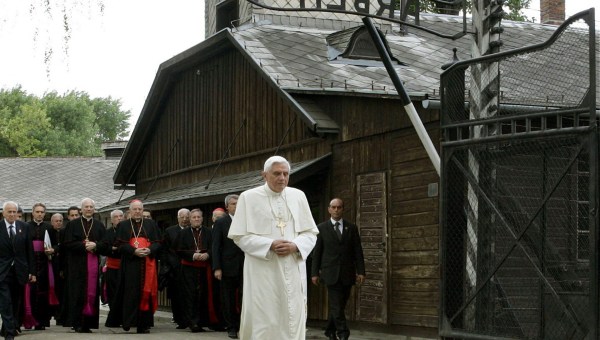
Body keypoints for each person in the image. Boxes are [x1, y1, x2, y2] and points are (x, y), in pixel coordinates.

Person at [228, 156, 319, 340]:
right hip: (263, 270)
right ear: (264, 175)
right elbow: (239, 236)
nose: (282, 178)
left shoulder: (298, 196)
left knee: (292, 314)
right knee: (265, 317)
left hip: (293, 268)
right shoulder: (249, 197)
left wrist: (295, 245)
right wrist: (269, 244)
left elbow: (311, 233)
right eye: (277, 173)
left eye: (286, 174)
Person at [311, 198, 366, 340]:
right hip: (330, 273)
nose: (336, 210)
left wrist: (361, 271)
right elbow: (317, 252)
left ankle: (330, 330)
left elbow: (357, 251)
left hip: (347, 273)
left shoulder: (351, 228)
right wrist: (314, 273)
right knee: (336, 305)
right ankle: (343, 334)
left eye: (339, 207)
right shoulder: (321, 228)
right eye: (333, 207)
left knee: (340, 305)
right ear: (329, 209)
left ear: (343, 209)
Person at [111, 200, 161, 334]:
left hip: (147, 263)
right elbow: (119, 245)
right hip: (130, 265)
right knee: (130, 293)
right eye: (135, 209)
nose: (137, 211)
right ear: (130, 211)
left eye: (140, 209)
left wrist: (150, 250)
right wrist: (134, 251)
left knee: (146, 292)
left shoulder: (151, 224)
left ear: (142, 210)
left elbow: (158, 243)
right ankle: (128, 321)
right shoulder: (123, 225)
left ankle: (143, 325)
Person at [61, 198, 106, 333]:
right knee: (77, 293)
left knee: (91, 293)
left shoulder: (99, 225)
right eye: (86, 207)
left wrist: (96, 245)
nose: (88, 209)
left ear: (94, 209)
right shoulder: (72, 224)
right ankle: (77, 323)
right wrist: (84, 245)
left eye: (91, 207)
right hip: (77, 265)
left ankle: (88, 324)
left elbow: (105, 244)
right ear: (81, 209)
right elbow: (67, 244)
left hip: (92, 264)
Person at [174, 208, 218, 332]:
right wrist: (193, 255)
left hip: (205, 269)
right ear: (190, 219)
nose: (196, 219)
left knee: (203, 295)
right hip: (188, 269)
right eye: (194, 217)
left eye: (199, 217)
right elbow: (178, 250)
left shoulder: (209, 232)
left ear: (202, 219)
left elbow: (214, 247)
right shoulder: (183, 233)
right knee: (190, 295)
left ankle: (202, 322)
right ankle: (192, 322)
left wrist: (208, 255)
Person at [0, 201, 36, 340]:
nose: (12, 214)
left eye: (14, 212)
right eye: (9, 212)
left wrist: (32, 272)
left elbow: (29, 251)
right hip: (2, 272)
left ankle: (8, 327)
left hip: (20, 271)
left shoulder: (24, 227)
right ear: (3, 213)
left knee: (15, 302)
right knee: (5, 302)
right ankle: (10, 334)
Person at [212, 194, 243, 339]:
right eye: (233, 204)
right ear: (227, 207)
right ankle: (231, 327)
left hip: (246, 266)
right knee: (228, 298)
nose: (236, 206)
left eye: (239, 203)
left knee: (245, 297)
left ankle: (243, 325)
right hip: (227, 266)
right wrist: (217, 267)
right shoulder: (221, 222)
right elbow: (216, 246)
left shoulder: (248, 220)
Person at [26, 203, 57, 330]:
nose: (39, 214)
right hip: (30, 261)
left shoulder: (49, 227)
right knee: (30, 292)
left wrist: (53, 250)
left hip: (45, 263)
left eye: (42, 212)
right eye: (37, 211)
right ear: (33, 212)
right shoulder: (26, 226)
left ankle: (42, 321)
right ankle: (29, 320)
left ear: (45, 213)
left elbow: (56, 245)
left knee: (43, 292)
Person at [159, 208, 190, 329]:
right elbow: (164, 250)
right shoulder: (169, 231)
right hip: (174, 269)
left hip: (189, 267)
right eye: (182, 217)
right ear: (177, 218)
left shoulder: (192, 231)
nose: (184, 219)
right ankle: (179, 320)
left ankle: (190, 319)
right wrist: (167, 264)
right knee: (176, 295)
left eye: (187, 217)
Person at [97, 209, 123, 326]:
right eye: (116, 217)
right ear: (111, 220)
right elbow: (102, 247)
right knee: (112, 293)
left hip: (126, 266)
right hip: (112, 265)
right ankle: (114, 318)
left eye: (121, 216)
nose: (119, 218)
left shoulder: (129, 230)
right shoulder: (107, 232)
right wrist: (111, 249)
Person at [47, 213, 64, 325]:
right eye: (56, 220)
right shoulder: (48, 232)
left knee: (61, 291)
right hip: (50, 265)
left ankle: (60, 316)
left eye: (60, 220)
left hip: (61, 265)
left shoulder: (65, 233)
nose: (58, 222)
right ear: (51, 222)